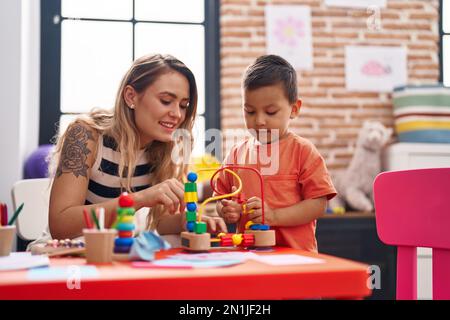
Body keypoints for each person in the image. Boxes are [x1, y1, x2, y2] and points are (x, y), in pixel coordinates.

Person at [45, 54, 226, 242]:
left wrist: (187, 222)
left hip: (118, 254)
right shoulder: (86, 135)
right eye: (165, 101)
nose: (177, 114)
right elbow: (61, 225)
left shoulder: (163, 148)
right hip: (68, 255)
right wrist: (138, 199)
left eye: (183, 105)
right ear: (131, 96)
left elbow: (159, 222)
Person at [215, 55, 336, 252]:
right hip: (250, 257)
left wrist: (274, 216)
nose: (260, 121)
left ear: (294, 109)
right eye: (250, 111)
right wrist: (227, 210)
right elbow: (221, 197)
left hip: (297, 259)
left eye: (270, 112)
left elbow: (318, 205)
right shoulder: (236, 154)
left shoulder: (303, 151)